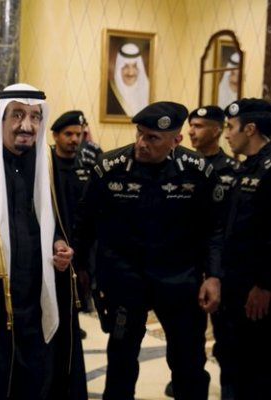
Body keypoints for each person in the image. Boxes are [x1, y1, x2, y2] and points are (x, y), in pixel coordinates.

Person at [76, 101, 223, 400]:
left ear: (176, 140)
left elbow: (214, 229)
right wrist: (82, 268)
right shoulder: (110, 168)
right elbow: (85, 222)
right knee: (121, 361)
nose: (142, 143)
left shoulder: (197, 171)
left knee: (188, 363)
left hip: (179, 277)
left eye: (153, 138)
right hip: (125, 277)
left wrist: (213, 276)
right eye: (140, 133)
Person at [0, 83, 88, 400]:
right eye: (18, 115)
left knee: (37, 376)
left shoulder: (44, 160)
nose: (27, 125)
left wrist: (59, 244)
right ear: (1, 118)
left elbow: (55, 221)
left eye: (35, 116)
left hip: (36, 291)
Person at [163, 105, 239, 399]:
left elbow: (226, 226)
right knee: (185, 335)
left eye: (199, 126)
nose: (192, 131)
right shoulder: (178, 165)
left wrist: (216, 269)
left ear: (217, 130)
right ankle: (188, 378)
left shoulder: (231, 171)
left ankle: (229, 387)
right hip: (184, 264)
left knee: (226, 336)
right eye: (191, 125)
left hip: (220, 265)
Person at [221, 98, 271, 400]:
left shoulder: (268, 169)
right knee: (234, 356)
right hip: (236, 280)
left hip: (257, 286)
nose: (227, 134)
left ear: (249, 129)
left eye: (231, 127)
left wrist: (264, 285)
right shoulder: (245, 166)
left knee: (257, 364)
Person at [50, 110, 103, 336]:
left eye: (78, 134)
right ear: (56, 136)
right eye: (68, 134)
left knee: (81, 285)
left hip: (81, 238)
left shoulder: (87, 166)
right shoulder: (47, 165)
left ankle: (73, 324)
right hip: (55, 237)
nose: (74, 139)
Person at [107, 43, 150, 116]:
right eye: (126, 66)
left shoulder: (148, 90)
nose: (130, 73)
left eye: (134, 66)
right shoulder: (109, 92)